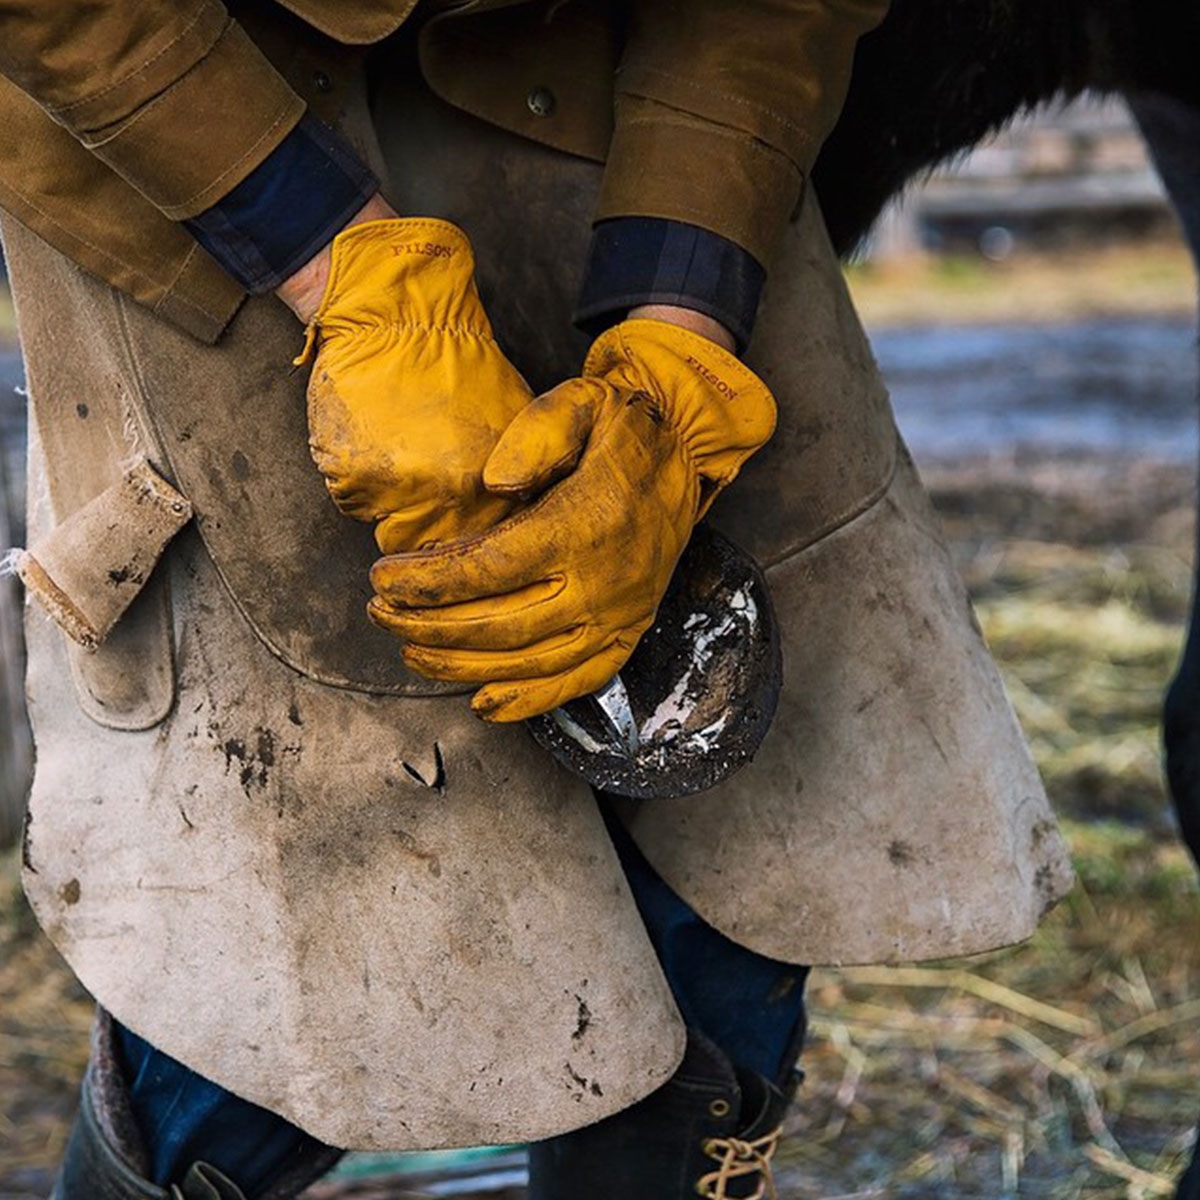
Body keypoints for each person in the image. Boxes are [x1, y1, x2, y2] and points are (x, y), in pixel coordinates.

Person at [0, 2, 1074, 1197]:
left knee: (728, 807)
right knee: (313, 896)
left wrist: (680, 334)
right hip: (175, 99)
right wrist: (344, 266)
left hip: (610, 57)